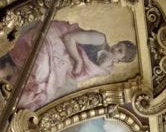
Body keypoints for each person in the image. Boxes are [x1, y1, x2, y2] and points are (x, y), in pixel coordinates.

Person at [1, 21, 137, 109]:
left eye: (120, 51)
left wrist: (93, 66)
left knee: (43, 92)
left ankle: (7, 97)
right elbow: (69, 38)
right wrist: (78, 60)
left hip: (62, 64)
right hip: (57, 41)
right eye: (118, 45)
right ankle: (6, 79)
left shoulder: (106, 70)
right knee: (40, 73)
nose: (115, 48)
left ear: (119, 60)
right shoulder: (100, 39)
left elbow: (76, 76)